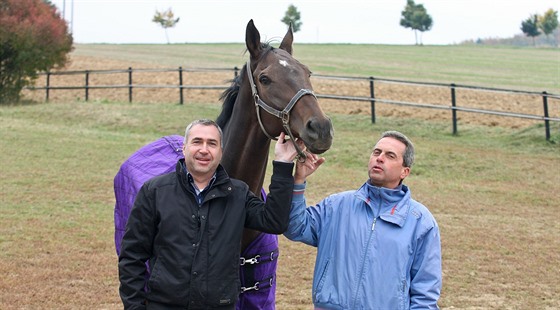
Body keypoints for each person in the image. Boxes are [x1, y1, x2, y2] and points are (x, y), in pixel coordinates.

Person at [119, 119, 300, 309]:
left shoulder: (238, 194)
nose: (204, 150)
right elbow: (132, 256)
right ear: (184, 147)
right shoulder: (154, 191)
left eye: (212, 143)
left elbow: (274, 222)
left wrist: (282, 164)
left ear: (221, 151)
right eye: (197, 142)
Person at [284, 130, 442, 309]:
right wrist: (298, 180)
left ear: (405, 171)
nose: (380, 158)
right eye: (377, 152)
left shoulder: (421, 223)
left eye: (390, 156)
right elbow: (294, 227)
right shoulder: (337, 205)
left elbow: (425, 292)